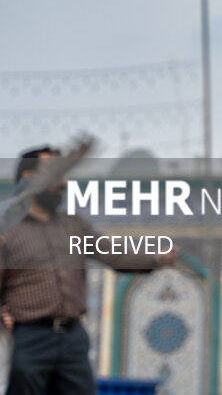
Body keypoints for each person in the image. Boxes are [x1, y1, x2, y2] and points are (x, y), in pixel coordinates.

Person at [0, 146, 176, 395]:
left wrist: (154, 259)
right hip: (29, 338)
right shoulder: (8, 229)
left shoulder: (73, 226)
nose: (63, 182)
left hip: (72, 338)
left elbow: (113, 254)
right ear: (29, 178)